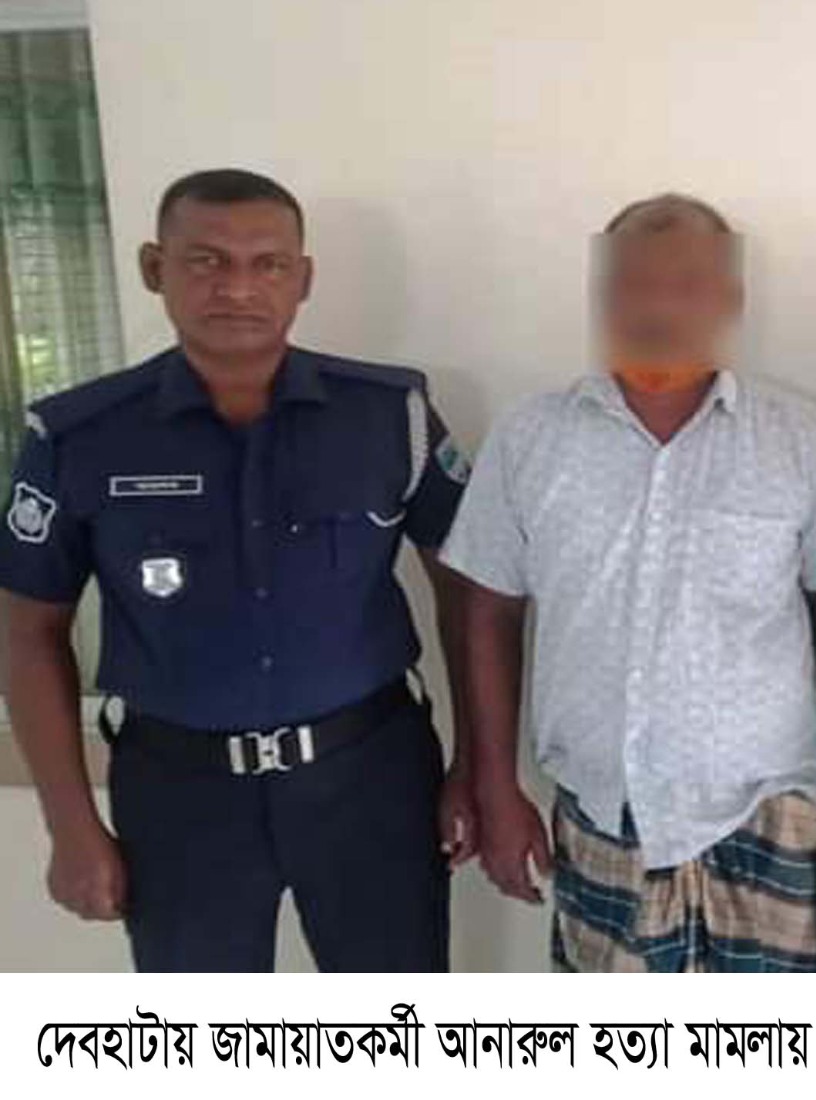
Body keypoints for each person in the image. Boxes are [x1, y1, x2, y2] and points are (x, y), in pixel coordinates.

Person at [0, 169, 476, 972]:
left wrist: (476, 768)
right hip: (178, 795)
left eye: (269, 264)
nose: (238, 287)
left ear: (303, 278)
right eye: (207, 260)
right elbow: (27, 632)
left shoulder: (389, 417)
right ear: (154, 268)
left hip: (371, 781)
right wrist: (70, 824)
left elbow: (469, 595)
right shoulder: (80, 436)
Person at [442, 192, 816, 972]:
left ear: (730, 300)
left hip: (770, 811)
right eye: (636, 283)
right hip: (602, 811)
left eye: (687, 284)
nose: (660, 305)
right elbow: (487, 613)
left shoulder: (801, 439)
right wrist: (496, 786)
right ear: (604, 295)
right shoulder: (532, 436)